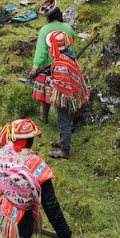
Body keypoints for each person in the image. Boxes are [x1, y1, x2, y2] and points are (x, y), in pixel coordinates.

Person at [36, 29, 88, 160]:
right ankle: (63, 140)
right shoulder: (70, 55)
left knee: (64, 121)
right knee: (64, 119)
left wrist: (50, 80)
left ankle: (65, 151)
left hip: (65, 96)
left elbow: (62, 83)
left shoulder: (61, 62)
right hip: (73, 93)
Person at [29, 0, 78, 125]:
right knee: (67, 93)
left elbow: (41, 51)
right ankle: (69, 119)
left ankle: (44, 117)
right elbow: (72, 42)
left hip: (50, 67)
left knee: (47, 93)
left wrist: (35, 66)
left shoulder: (45, 31)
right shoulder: (67, 27)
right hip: (68, 65)